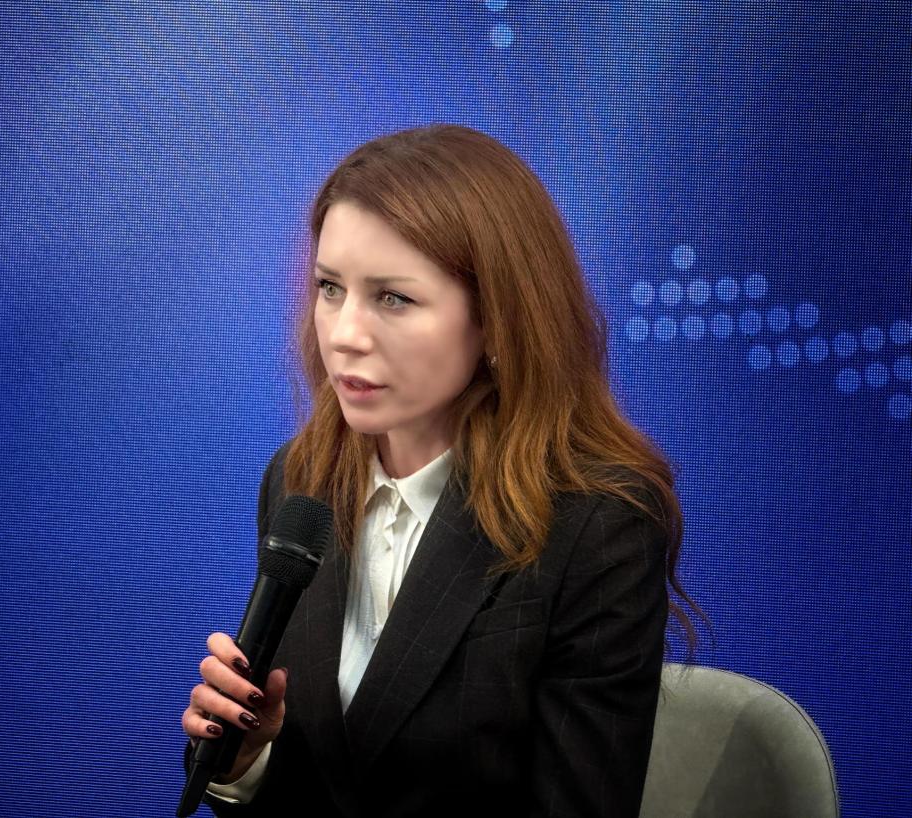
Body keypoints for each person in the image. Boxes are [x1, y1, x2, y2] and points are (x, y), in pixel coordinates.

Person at [181, 124, 695, 817]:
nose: (344, 334)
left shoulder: (597, 523)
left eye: (392, 298)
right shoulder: (300, 480)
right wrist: (249, 764)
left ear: (497, 318)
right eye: (330, 288)